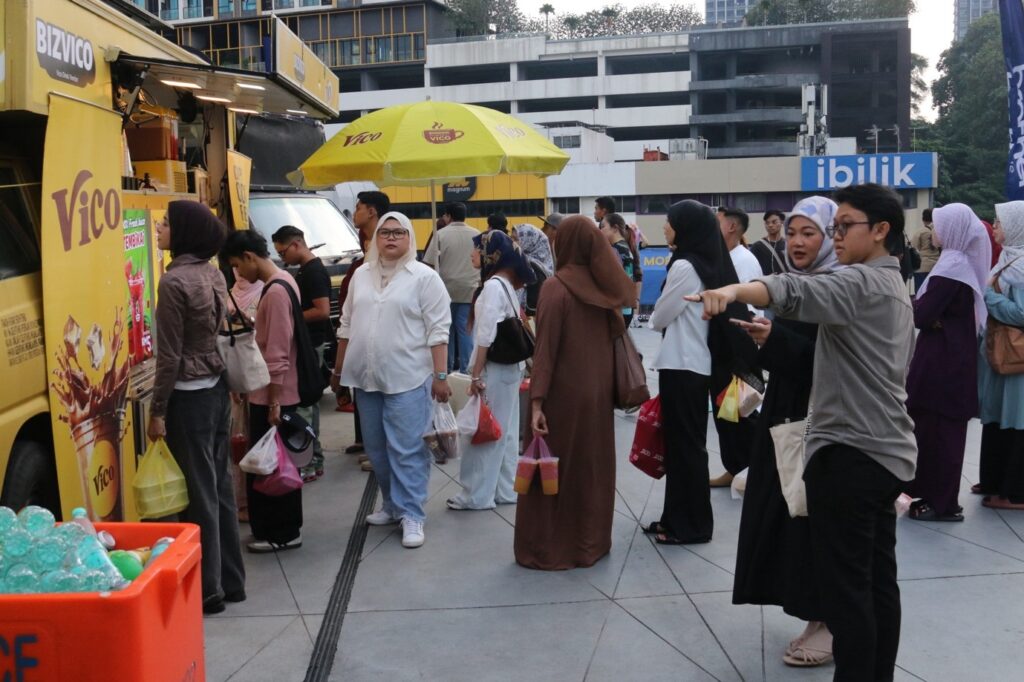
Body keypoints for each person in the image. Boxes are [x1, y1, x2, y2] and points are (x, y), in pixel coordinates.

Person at [689, 183, 916, 682]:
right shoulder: (892, 283)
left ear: (880, 231)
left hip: (851, 451)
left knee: (849, 593)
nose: (833, 237)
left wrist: (729, 290)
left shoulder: (861, 282)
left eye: (841, 227)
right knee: (877, 585)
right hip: (882, 450)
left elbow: (794, 291)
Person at [731, 196, 840, 668]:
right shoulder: (804, 283)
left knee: (817, 519)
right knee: (793, 517)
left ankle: (833, 625)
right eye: (792, 232)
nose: (796, 242)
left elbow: (827, 363)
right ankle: (816, 617)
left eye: (808, 233)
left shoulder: (838, 287)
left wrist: (772, 340)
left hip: (821, 420)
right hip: (788, 413)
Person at [515, 216, 634, 570]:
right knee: (591, 468)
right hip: (597, 394)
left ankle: (549, 547)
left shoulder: (557, 287)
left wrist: (537, 402)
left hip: (562, 396)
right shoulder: (605, 290)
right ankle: (590, 543)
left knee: (552, 469)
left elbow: (546, 351)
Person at [333, 212, 453, 548]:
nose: (390, 238)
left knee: (408, 449)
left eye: (399, 232)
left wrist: (441, 376)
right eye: (385, 232)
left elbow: (438, 332)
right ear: (375, 239)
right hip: (365, 377)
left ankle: (412, 513)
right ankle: (391, 504)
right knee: (376, 448)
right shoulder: (360, 276)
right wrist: (338, 370)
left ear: (410, 238)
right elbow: (346, 325)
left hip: (409, 377)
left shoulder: (424, 278)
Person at [148, 200, 244, 615]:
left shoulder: (173, 283)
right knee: (219, 485)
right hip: (217, 388)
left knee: (200, 493)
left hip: (188, 397)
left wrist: (157, 410)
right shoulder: (213, 273)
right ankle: (232, 581)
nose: (159, 229)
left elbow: (169, 356)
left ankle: (208, 590)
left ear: (182, 231)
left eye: (166, 223)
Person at [221, 229, 305, 554]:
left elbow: (279, 352)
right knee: (274, 464)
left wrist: (272, 401)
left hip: (274, 396)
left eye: (237, 266)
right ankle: (277, 529)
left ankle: (282, 532)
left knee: (273, 467)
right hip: (270, 393)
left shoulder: (275, 292)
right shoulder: (284, 281)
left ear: (249, 257)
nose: (239, 273)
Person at [906, 204, 990, 522]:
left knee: (941, 435)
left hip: (943, 364)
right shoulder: (957, 263)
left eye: (939, 226)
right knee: (937, 432)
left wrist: (920, 310)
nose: (934, 232)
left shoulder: (952, 267)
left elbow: (922, 314)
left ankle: (942, 503)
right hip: (948, 359)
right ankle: (935, 497)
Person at [447, 231, 535, 510]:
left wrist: (475, 374)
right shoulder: (506, 284)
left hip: (494, 370)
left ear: (491, 255)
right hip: (510, 369)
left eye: (476, 250)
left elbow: (485, 336)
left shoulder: (493, 286)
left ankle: (476, 495)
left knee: (483, 432)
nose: (472, 255)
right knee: (506, 432)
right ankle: (505, 490)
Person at [272, 225, 332, 483]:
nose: (283, 258)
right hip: (309, 343)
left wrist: (291, 316)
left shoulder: (314, 272)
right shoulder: (304, 271)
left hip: (312, 344)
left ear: (296, 244)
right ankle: (313, 459)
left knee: (306, 406)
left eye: (283, 252)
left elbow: (322, 310)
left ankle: (308, 461)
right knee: (310, 404)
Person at [976, 200, 1024, 510]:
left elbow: (1021, 313)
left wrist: (989, 297)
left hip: (1016, 362)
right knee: (997, 418)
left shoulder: (1020, 268)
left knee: (1015, 420)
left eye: (999, 223)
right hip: (999, 355)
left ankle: (1014, 492)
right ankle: (994, 482)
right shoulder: (1008, 260)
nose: (994, 228)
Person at [711, 206, 761, 487]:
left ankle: (752, 469)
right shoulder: (725, 257)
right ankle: (735, 467)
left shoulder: (744, 260)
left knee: (742, 412)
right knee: (726, 414)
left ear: (731, 227)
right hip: (725, 347)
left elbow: (750, 307)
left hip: (739, 348)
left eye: (716, 222)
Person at [342, 191, 391, 471]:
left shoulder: (382, 243)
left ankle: (382, 453)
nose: (354, 212)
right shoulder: (366, 241)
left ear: (371, 211)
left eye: (358, 207)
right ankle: (374, 448)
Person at [423, 202, 479, 374]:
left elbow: (428, 264)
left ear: (448, 216)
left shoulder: (440, 235)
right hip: (470, 290)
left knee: (445, 331)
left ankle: (446, 369)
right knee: (465, 330)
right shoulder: (477, 234)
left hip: (445, 290)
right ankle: (466, 371)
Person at [226, 267, 263, 523]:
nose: (238, 271)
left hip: (257, 377)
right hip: (232, 381)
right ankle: (239, 501)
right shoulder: (227, 296)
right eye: (234, 266)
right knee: (236, 442)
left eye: (241, 264)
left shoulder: (265, 293)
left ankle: (256, 500)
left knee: (254, 439)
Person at [599, 212, 638, 327]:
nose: (600, 231)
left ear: (615, 228)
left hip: (617, 309)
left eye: (603, 227)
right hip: (626, 308)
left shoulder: (615, 250)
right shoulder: (625, 247)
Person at [512, 223, 554, 316]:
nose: (512, 242)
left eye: (516, 239)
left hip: (528, 319)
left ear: (529, 241)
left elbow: (532, 304)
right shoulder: (537, 262)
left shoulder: (532, 267)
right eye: (512, 238)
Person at [750, 209, 788, 276]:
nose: (770, 225)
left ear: (782, 222)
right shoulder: (757, 246)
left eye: (774, 222)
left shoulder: (788, 245)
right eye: (767, 223)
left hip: (785, 284)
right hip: (766, 284)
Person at [911, 208, 941, 290]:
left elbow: (913, 247)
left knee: (921, 294)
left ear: (923, 219)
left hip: (922, 266)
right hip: (937, 267)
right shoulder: (939, 231)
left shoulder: (920, 232)